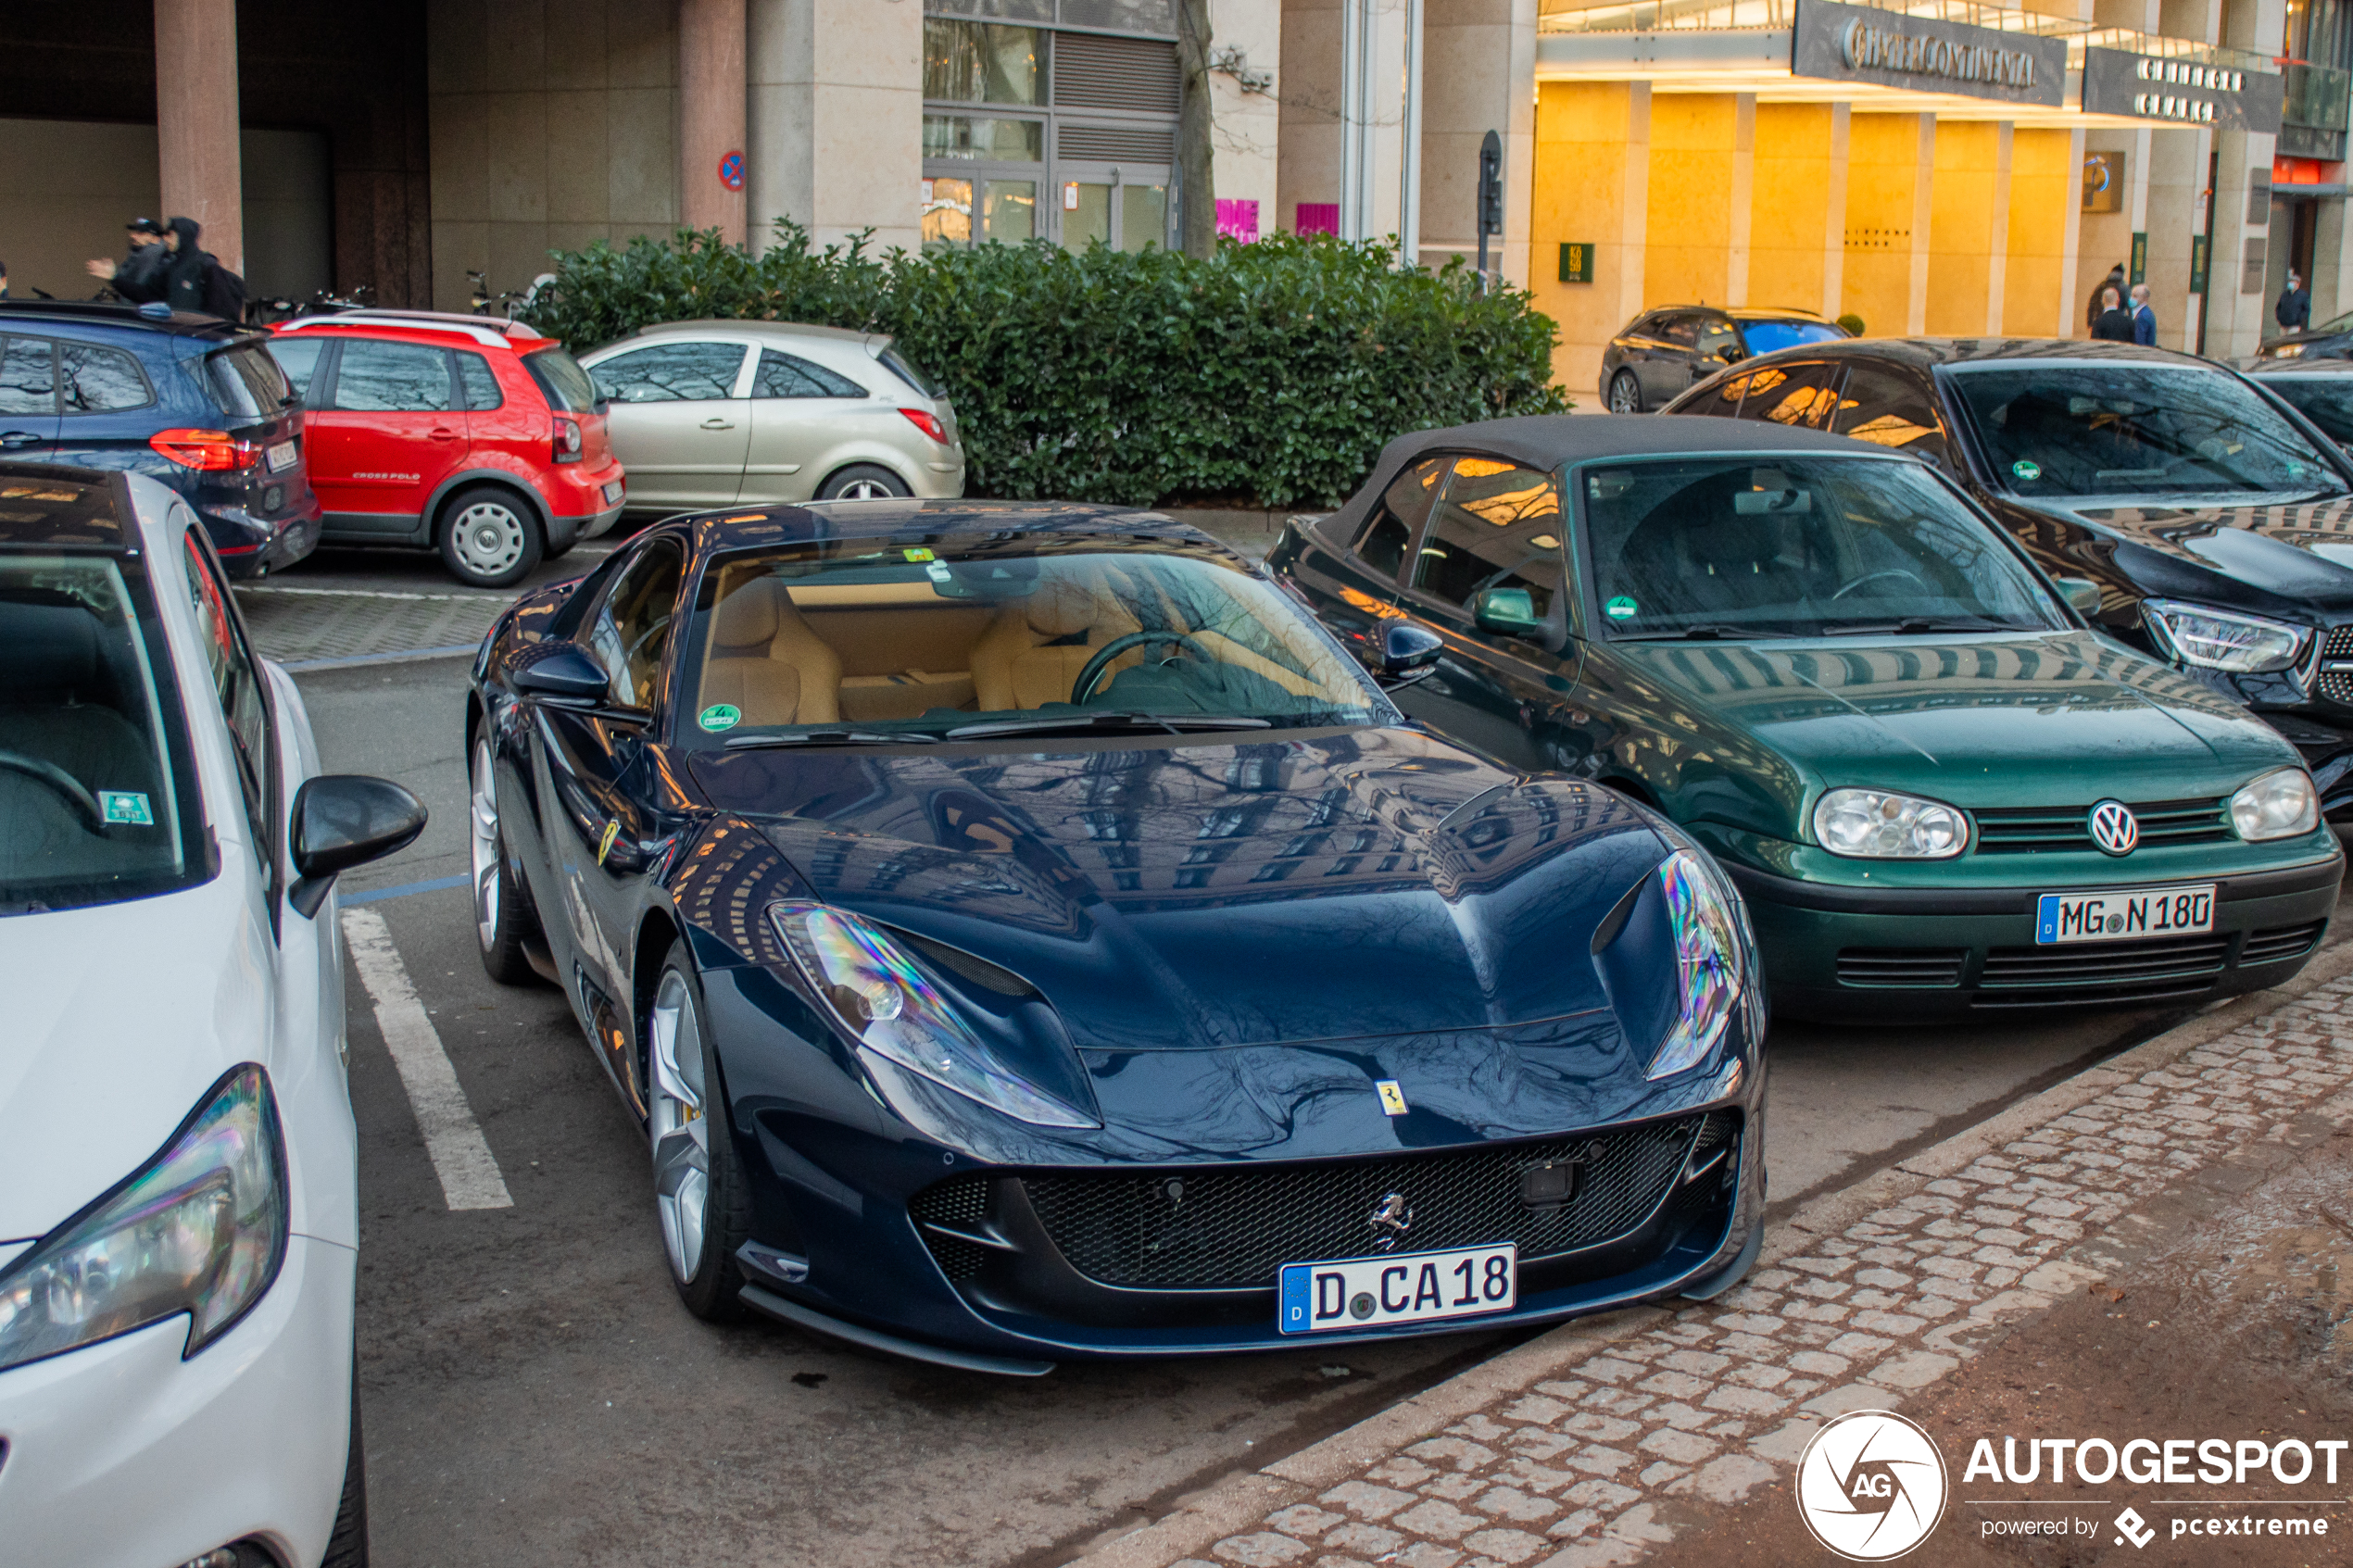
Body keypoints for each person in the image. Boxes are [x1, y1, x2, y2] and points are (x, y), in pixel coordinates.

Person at [86, 217, 170, 302]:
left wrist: (114, 276)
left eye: (139, 233)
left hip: (140, 307)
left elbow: (139, 287)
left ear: (152, 236)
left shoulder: (153, 253)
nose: (133, 235)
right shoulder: (139, 252)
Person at [2087, 262, 2127, 329]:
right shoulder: (2124, 287)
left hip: (2100, 321)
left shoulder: (2101, 286)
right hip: (2119, 323)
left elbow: (2092, 303)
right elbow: (2130, 306)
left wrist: (2090, 321)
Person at [2278, 270, 2311, 334]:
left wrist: (2298, 319)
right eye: (2290, 281)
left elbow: (2306, 310)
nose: (2291, 283)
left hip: (2294, 326)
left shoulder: (2302, 295)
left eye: (2293, 282)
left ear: (2298, 283)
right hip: (2283, 326)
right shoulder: (2285, 295)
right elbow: (2278, 307)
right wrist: (2280, 319)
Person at [2130, 282, 2158, 346]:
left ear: (2145, 298)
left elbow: (2139, 341)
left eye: (2135, 296)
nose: (2131, 298)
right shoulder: (2147, 313)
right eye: (2131, 295)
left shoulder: (2142, 317)